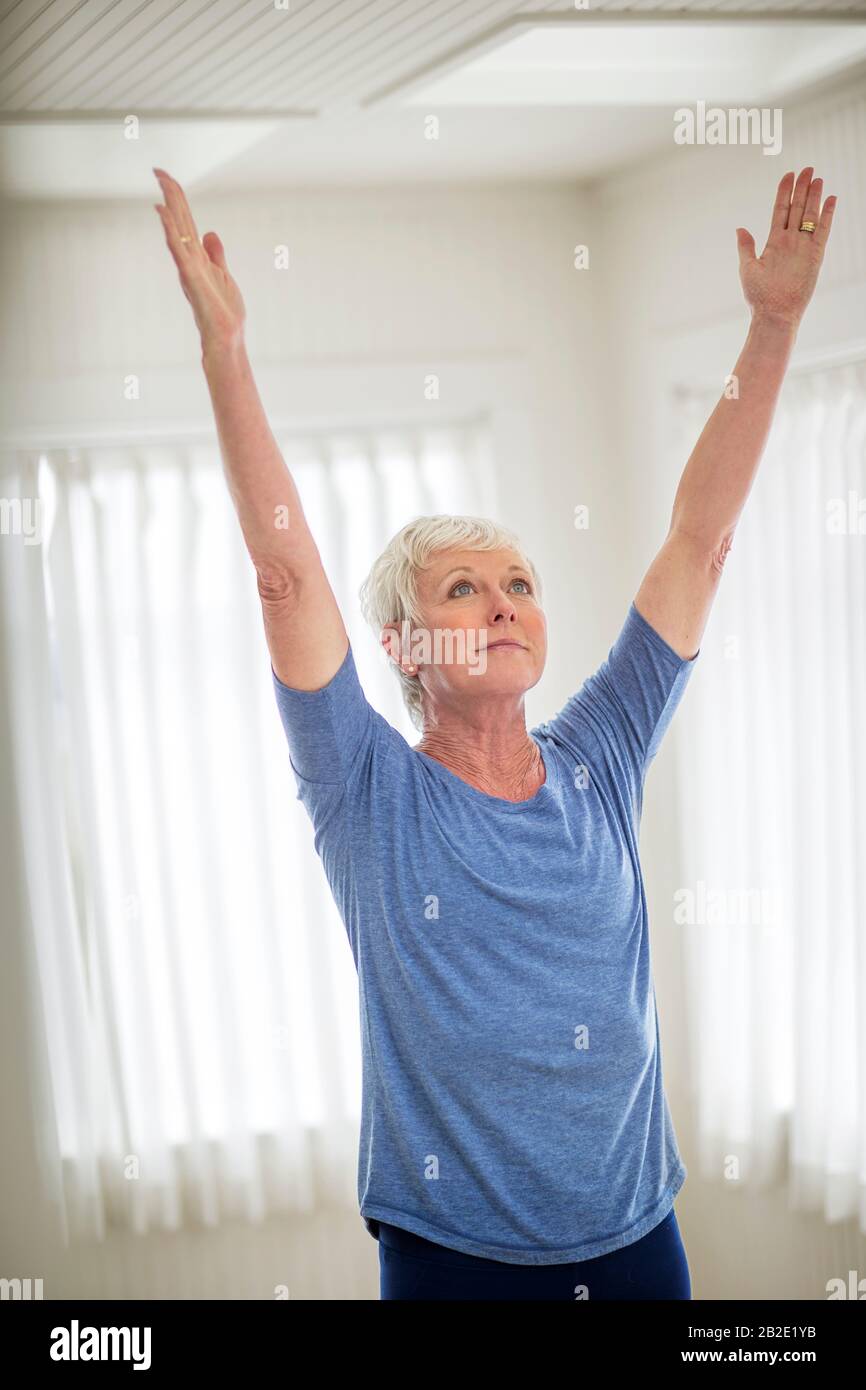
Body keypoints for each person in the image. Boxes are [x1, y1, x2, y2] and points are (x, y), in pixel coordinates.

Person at [153, 166, 836, 1298]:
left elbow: (698, 539)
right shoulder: (365, 790)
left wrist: (771, 323)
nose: (504, 601)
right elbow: (283, 575)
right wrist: (226, 351)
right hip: (456, 1262)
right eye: (462, 589)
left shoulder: (599, 756)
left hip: (636, 1244)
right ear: (402, 647)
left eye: (517, 579)